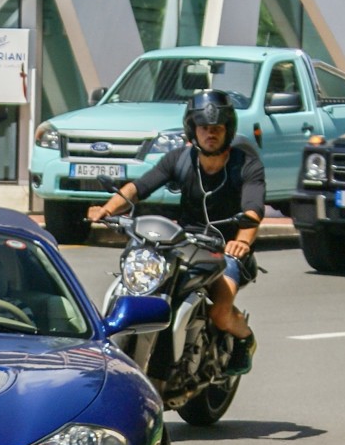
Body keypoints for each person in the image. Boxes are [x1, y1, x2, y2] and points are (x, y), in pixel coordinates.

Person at [87, 89, 264, 375]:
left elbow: (253, 208)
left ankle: (245, 339)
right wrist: (106, 210)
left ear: (227, 130)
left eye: (217, 128)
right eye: (204, 128)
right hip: (185, 240)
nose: (211, 134)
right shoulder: (179, 159)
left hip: (224, 247)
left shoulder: (246, 165)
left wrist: (241, 241)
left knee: (220, 311)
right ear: (193, 130)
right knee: (135, 281)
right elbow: (139, 187)